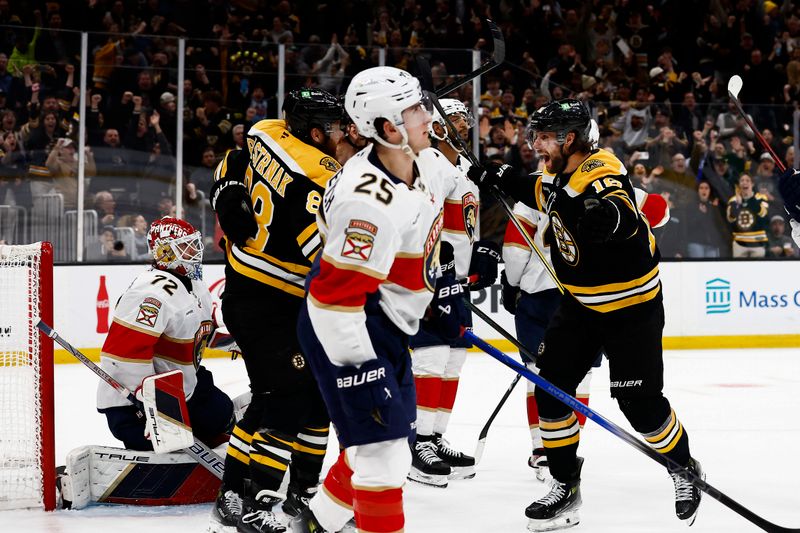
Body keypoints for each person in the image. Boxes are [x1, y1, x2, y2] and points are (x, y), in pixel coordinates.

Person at [468, 99, 703, 531]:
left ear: (569, 139)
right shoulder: (558, 175)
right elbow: (534, 189)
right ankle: (565, 485)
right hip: (578, 306)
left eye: (542, 137)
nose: (534, 143)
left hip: (631, 309)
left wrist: (609, 218)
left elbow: (619, 206)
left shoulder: (599, 168)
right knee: (551, 391)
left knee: (641, 407)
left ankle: (684, 468)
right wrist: (493, 174)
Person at [293, 66, 459, 533]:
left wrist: (436, 291)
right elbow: (332, 301)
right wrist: (359, 368)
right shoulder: (367, 203)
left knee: (384, 443)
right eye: (415, 110)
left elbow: (446, 203)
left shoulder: (421, 161)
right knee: (382, 458)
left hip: (385, 317)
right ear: (387, 129)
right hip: (351, 326)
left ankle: (314, 524)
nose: (429, 116)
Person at [208, 88, 344, 533]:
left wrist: (226, 189)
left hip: (289, 301)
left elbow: (233, 158)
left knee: (318, 398)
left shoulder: (268, 135)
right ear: (312, 130)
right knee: (281, 396)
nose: (343, 133)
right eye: (336, 126)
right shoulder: (317, 175)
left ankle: (303, 493)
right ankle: (245, 497)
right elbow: (321, 253)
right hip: (260, 300)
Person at [408, 98, 500, 487]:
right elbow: (420, 215)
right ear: (434, 124)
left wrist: (485, 248)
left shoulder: (462, 168)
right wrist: (439, 265)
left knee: (453, 361)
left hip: (457, 280)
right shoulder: (428, 163)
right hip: (430, 278)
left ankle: (434, 435)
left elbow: (474, 221)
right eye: (454, 118)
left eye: (464, 118)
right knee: (430, 357)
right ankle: (417, 445)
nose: (462, 124)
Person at [95, 217, 233, 451]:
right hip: (136, 405)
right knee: (169, 446)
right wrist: (154, 407)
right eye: (186, 246)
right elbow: (122, 357)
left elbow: (203, 332)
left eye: (194, 244)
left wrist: (239, 342)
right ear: (166, 252)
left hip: (181, 389)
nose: (195, 251)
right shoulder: (151, 293)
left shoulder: (194, 284)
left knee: (223, 414)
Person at [726, 173, 769, 258]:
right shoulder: (733, 200)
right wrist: (737, 204)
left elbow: (763, 214)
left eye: (747, 180)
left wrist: (751, 198)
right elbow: (730, 218)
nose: (744, 183)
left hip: (758, 242)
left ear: (752, 184)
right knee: (739, 270)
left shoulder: (761, 197)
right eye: (742, 180)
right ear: (739, 185)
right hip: (739, 243)